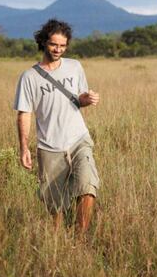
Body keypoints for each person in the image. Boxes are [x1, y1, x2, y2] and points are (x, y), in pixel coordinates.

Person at [14, 19, 100, 234]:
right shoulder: (29, 77)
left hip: (79, 139)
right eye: (54, 44)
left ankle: (80, 240)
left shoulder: (75, 66)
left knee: (88, 186)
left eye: (63, 46)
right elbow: (24, 113)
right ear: (43, 42)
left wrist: (87, 99)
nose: (58, 50)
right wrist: (24, 148)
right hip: (49, 146)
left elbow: (78, 99)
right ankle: (59, 242)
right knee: (55, 205)